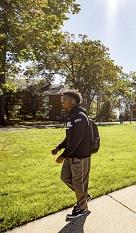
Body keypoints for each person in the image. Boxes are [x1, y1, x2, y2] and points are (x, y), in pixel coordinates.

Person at [51, 90, 92, 219]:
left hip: (79, 156)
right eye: (62, 98)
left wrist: (63, 155)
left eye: (65, 99)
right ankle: (84, 197)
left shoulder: (79, 116)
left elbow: (77, 139)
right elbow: (69, 137)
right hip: (71, 155)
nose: (62, 101)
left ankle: (82, 208)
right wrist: (59, 147)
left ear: (73, 101)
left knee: (78, 182)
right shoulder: (71, 116)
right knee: (65, 177)